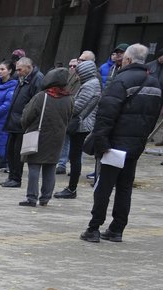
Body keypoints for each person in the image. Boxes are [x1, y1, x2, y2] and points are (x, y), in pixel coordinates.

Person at [80, 43, 162, 243]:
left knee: (104, 186)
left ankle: (94, 227)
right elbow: (153, 117)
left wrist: (101, 141)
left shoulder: (121, 80)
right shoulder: (155, 83)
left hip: (114, 144)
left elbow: (105, 114)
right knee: (125, 187)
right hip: (135, 145)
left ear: (128, 59)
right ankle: (117, 229)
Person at [17, 68, 74, 206]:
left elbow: (27, 116)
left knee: (34, 167)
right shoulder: (69, 98)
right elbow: (70, 117)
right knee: (50, 167)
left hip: (39, 135)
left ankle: (32, 197)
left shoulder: (42, 96)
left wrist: (26, 127)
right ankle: (45, 198)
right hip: (58, 137)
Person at [54, 59, 102, 198]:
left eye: (79, 72)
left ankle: (72, 189)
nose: (77, 76)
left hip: (81, 125)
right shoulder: (93, 83)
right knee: (75, 157)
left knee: (75, 158)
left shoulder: (89, 85)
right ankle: (71, 188)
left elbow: (77, 108)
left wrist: (65, 106)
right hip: (84, 123)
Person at [1, 57, 39, 188]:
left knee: (17, 152)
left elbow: (36, 102)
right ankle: (12, 176)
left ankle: (16, 178)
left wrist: (26, 119)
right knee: (10, 151)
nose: (17, 72)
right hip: (13, 120)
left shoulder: (36, 79)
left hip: (22, 123)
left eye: (19, 69)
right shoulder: (22, 79)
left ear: (28, 67)